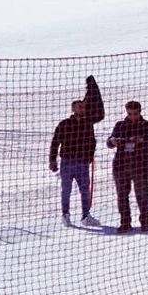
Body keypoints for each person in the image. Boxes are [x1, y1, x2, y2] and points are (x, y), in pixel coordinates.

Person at [49, 75, 105, 225]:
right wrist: (52, 160)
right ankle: (65, 215)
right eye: (79, 106)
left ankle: (86, 216)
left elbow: (100, 114)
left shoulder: (88, 122)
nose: (82, 108)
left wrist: (93, 89)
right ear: (73, 109)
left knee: (85, 190)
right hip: (67, 162)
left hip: (83, 163)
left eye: (83, 106)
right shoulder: (64, 124)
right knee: (66, 190)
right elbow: (55, 142)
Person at [106, 100, 148, 233]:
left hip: (140, 166)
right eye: (130, 114)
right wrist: (113, 141)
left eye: (135, 114)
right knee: (122, 196)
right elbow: (109, 142)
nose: (132, 116)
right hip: (121, 165)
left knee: (142, 195)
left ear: (140, 112)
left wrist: (144, 139)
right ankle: (125, 222)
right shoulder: (120, 125)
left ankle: (145, 222)